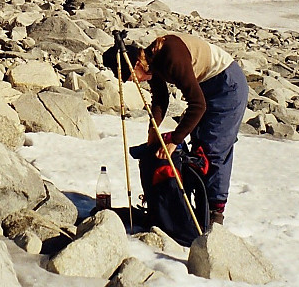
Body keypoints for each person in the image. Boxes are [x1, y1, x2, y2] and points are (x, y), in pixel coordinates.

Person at [105, 33, 248, 225]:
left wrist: (175, 140)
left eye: (131, 77)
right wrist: (153, 131)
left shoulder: (171, 57)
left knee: (213, 149)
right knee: (198, 146)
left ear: (137, 65)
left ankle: (215, 216)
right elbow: (161, 99)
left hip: (227, 84)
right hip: (206, 85)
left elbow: (198, 105)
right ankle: (194, 211)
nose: (134, 82)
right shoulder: (151, 62)